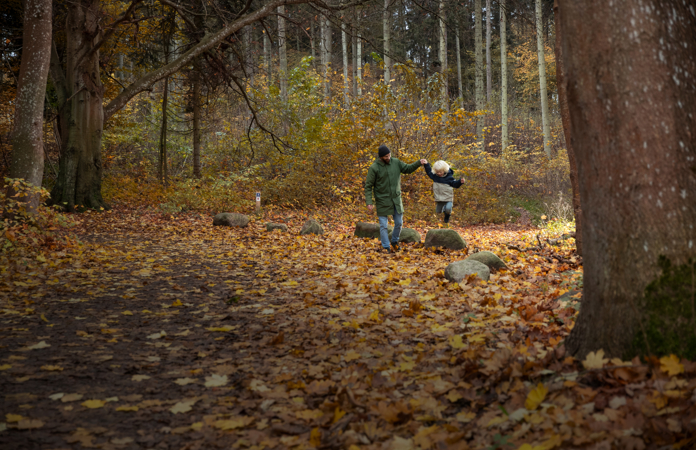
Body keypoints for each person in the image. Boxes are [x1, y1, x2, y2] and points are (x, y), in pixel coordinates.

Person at [364, 144, 427, 253]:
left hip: (396, 199)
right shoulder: (374, 168)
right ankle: (386, 247)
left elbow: (408, 169)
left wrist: (418, 163)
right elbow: (368, 186)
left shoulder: (396, 162)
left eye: (389, 155)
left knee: (399, 223)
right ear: (380, 157)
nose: (388, 158)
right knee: (383, 225)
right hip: (382, 200)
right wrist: (369, 201)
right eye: (385, 157)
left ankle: (394, 241)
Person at [423, 160, 464, 228]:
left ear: (444, 170)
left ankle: (447, 217)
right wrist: (426, 164)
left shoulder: (449, 178)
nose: (439, 173)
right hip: (439, 198)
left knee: (448, 209)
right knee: (438, 211)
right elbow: (428, 172)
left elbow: (455, 184)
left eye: (441, 172)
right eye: (437, 172)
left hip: (448, 198)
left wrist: (460, 182)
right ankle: (443, 213)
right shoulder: (435, 177)